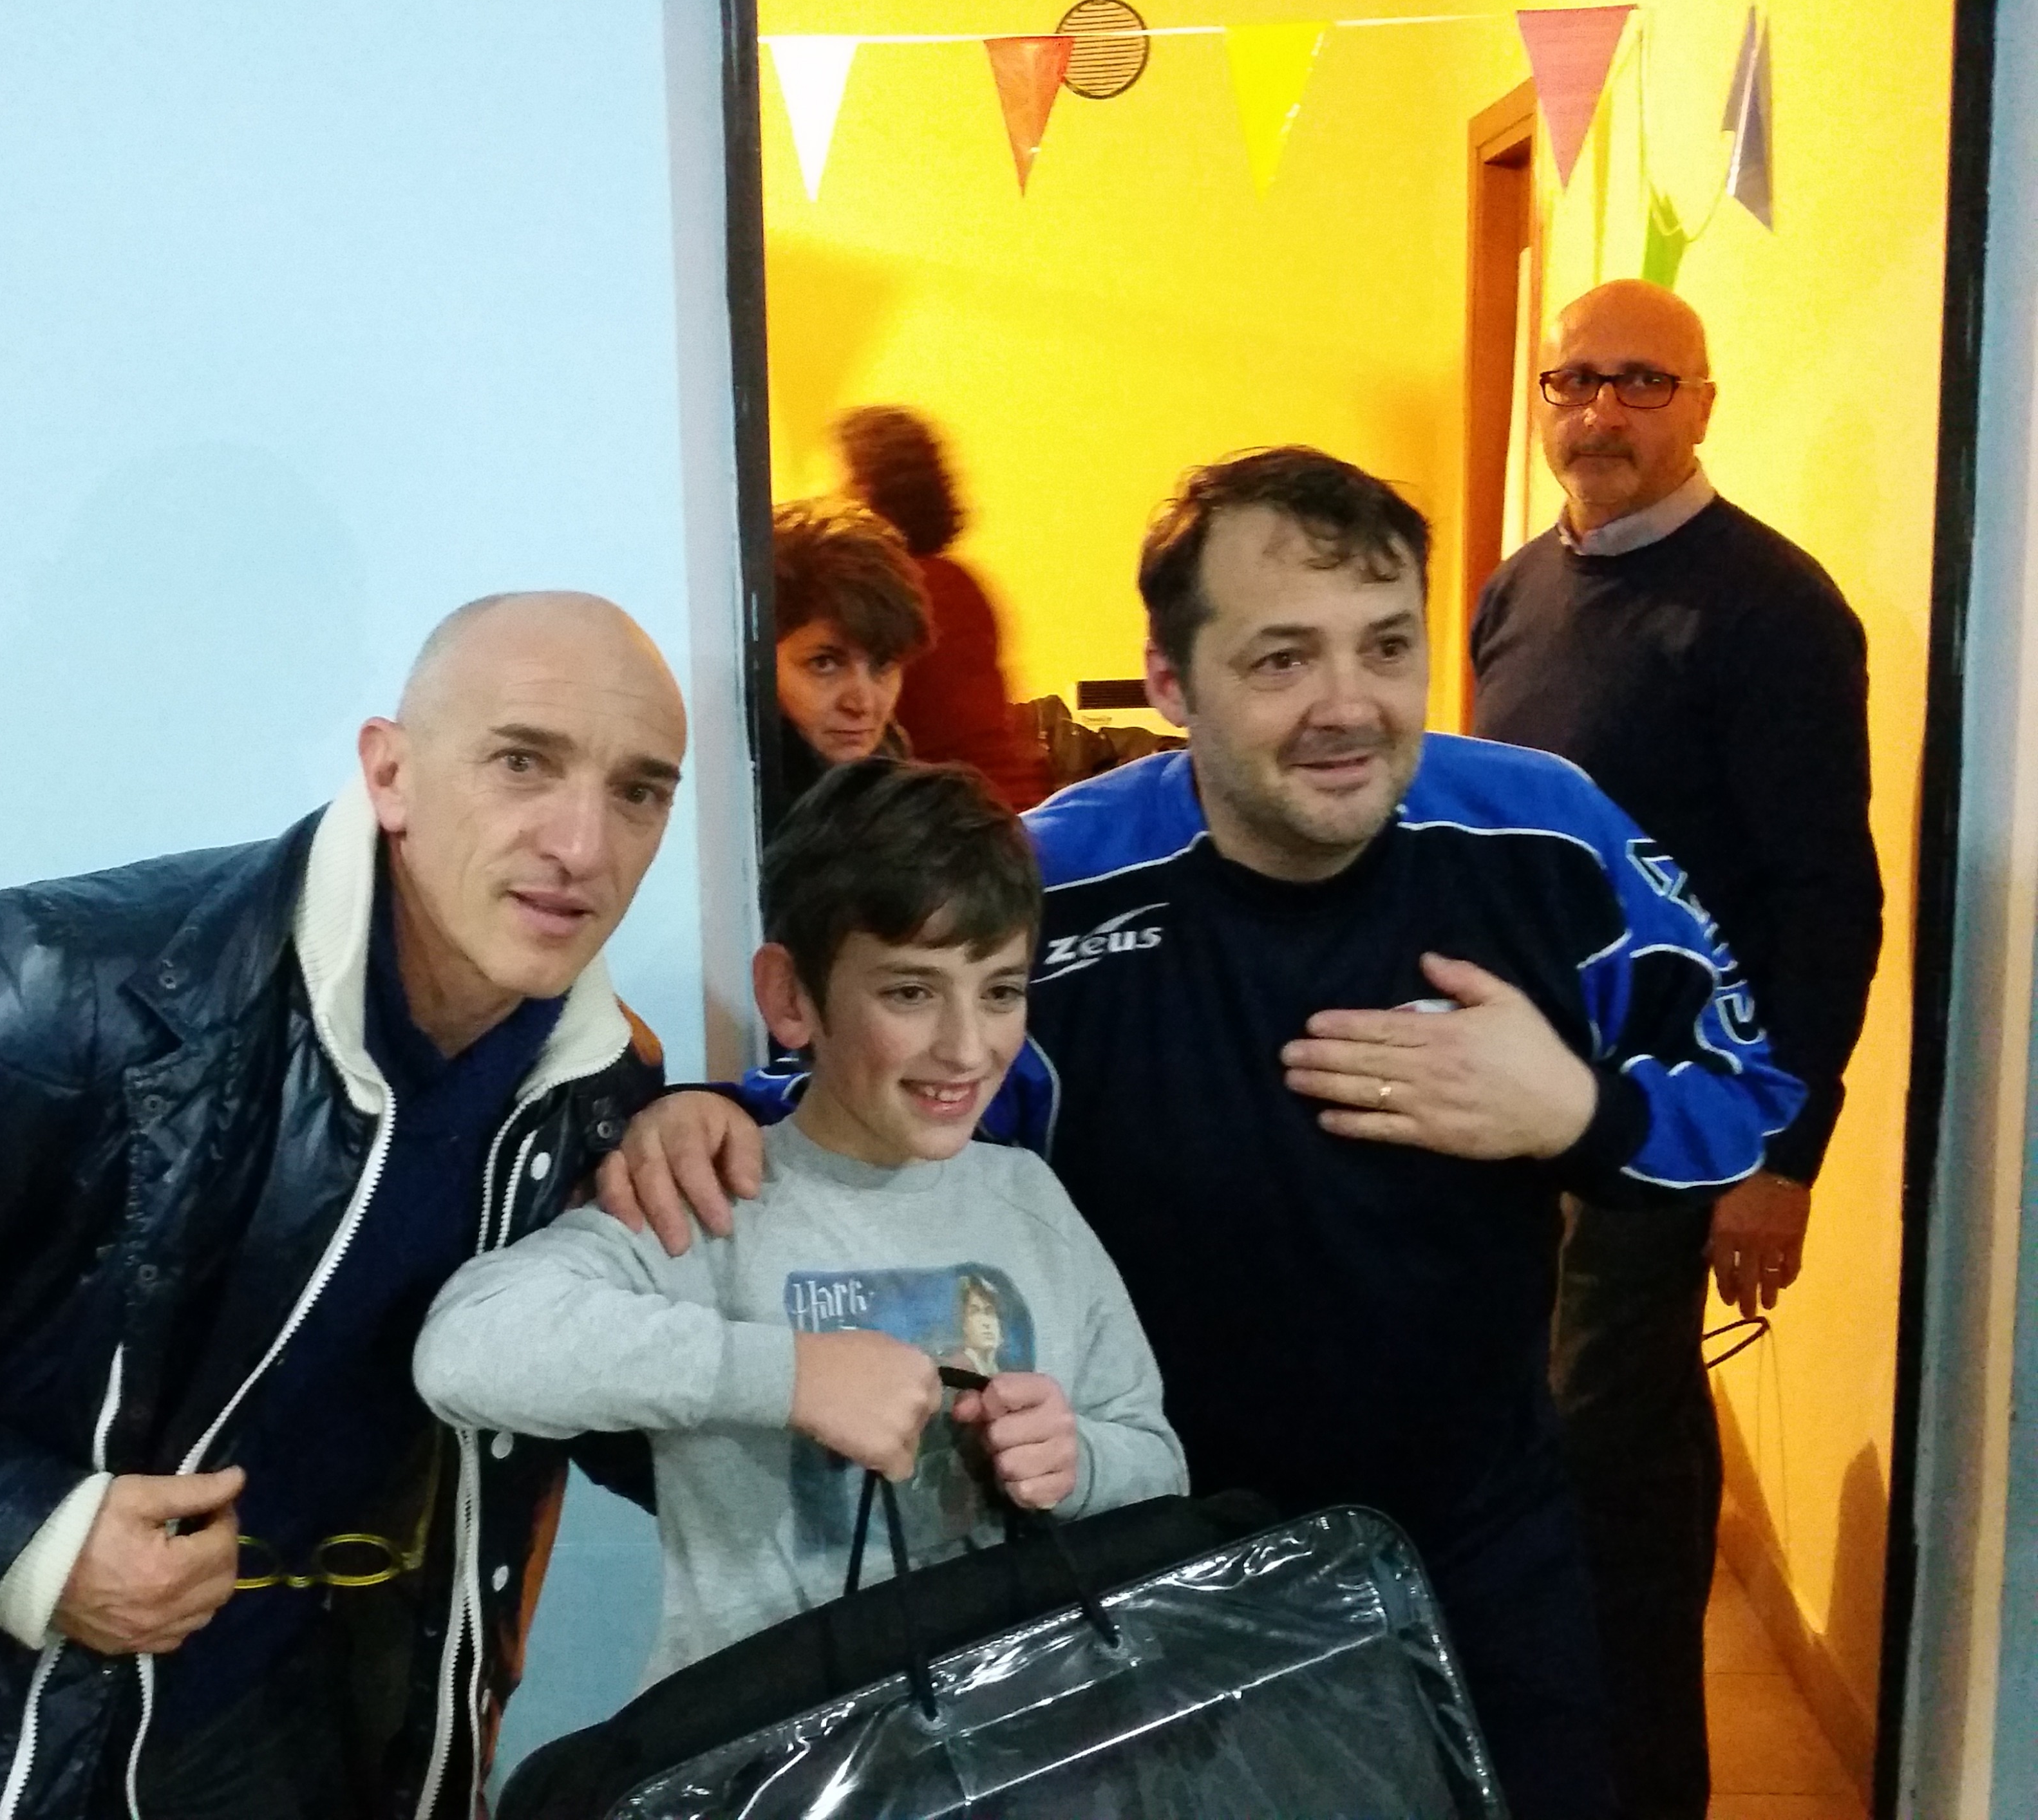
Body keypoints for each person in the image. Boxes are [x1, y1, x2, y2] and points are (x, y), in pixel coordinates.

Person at [598, 447, 1807, 1819]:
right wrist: (713, 1111)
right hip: (1145, 1546)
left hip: (1479, 1523)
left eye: (1386, 645)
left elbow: (1748, 1095)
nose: (1348, 703)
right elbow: (866, 1081)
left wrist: (1578, 1112)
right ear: (1168, 684)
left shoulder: (1544, 834)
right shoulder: (1052, 879)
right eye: (1282, 659)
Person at [0, 592, 687, 1820]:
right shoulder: (65, 983)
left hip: (285, 1729)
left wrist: (804, 1234)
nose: (582, 843)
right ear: (390, 772)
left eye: (638, 791)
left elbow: (592, 1404)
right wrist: (33, 1541)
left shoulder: (603, 1086)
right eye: (522, 761)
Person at [413, 760, 1185, 1682]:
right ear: (789, 999)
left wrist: (1076, 1461)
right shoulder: (711, 1196)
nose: (966, 1048)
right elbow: (466, 1349)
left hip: (1013, 1727)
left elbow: (1156, 1462)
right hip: (778, 1739)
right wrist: (790, 1374)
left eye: (1000, 992)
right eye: (909, 992)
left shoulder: (1031, 1198)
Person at [1471, 278, 1883, 1820]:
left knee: (1604, 1463)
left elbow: (1826, 900)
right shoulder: (1518, 592)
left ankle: (1637, 1789)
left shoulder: (1772, 610)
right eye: (1572, 379)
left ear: (1702, 402)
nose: (1599, 411)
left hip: (1668, 1122)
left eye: (1640, 381)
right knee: (1565, 1447)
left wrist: (1783, 1154)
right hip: (1512, 1109)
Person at [835, 406, 1050, 811]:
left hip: (948, 821)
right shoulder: (962, 582)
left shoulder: (887, 592)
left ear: (865, 491)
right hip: (1007, 808)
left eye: (840, 481)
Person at [767, 498, 930, 833]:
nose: (862, 704)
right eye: (824, 664)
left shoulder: (898, 796)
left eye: (882, 664)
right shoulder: (724, 813)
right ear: (757, 659)